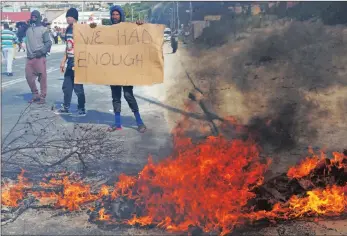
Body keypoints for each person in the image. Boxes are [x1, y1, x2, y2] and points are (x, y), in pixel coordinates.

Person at [90, 5, 147, 133]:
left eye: (117, 14)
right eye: (113, 14)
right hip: (113, 69)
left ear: (121, 15)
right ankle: (117, 123)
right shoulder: (108, 31)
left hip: (126, 69)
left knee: (128, 95)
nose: (115, 17)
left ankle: (139, 122)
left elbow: (139, 38)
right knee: (115, 97)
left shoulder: (128, 29)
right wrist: (91, 30)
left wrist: (140, 26)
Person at [56, 8, 86, 116]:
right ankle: (66, 107)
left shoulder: (80, 30)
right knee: (67, 86)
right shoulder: (68, 30)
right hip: (70, 61)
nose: (67, 18)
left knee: (78, 87)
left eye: (69, 16)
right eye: (67, 16)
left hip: (78, 61)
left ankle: (81, 108)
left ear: (74, 17)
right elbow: (67, 47)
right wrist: (63, 61)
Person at [25, 10, 52, 104]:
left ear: (39, 17)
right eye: (32, 16)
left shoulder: (43, 29)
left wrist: (42, 51)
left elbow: (48, 42)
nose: (33, 18)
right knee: (28, 77)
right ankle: (35, 95)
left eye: (35, 16)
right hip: (29, 58)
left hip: (39, 57)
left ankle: (42, 96)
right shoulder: (28, 29)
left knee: (42, 77)